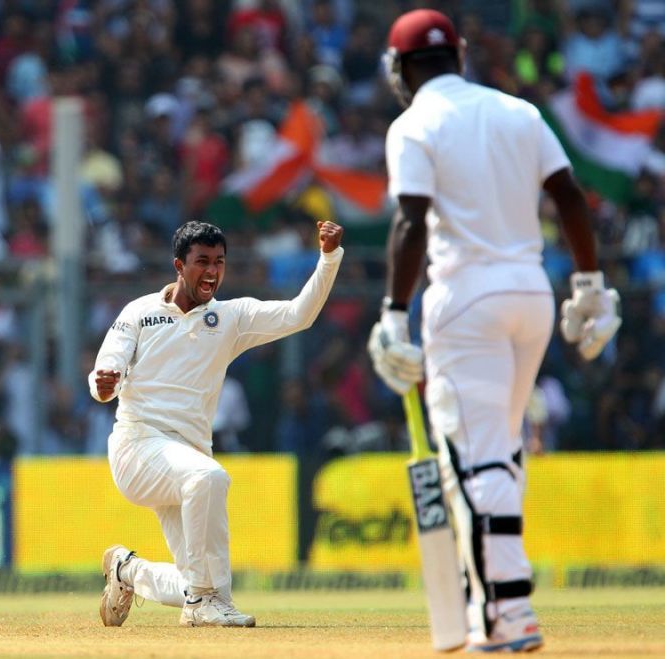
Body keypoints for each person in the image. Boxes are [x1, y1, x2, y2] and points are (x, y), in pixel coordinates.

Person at [367, 9, 621, 654]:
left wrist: (394, 312)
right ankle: (491, 603)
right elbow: (569, 196)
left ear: (399, 69)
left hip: (464, 302)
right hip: (531, 294)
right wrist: (588, 284)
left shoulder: (413, 125)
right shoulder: (519, 112)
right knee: (499, 452)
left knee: (476, 460)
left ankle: (510, 612)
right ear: (458, 53)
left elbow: (411, 222)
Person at [90, 219, 344, 628]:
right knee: (209, 479)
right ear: (178, 264)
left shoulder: (231, 318)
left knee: (200, 580)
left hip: (186, 455)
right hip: (137, 447)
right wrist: (103, 384)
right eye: (202, 262)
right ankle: (201, 604)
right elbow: (107, 370)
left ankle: (128, 571)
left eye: (219, 262)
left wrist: (328, 258)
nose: (212, 272)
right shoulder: (140, 312)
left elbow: (300, 314)